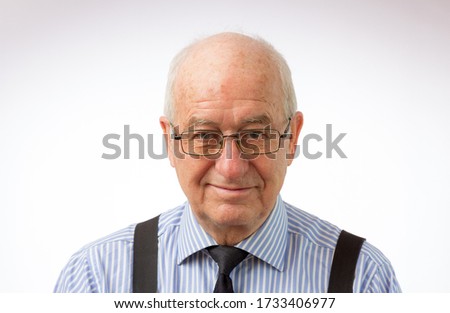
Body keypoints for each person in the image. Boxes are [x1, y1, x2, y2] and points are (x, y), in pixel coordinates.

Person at [54, 32, 401, 293]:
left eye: (255, 135)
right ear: (170, 142)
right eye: (204, 136)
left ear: (292, 138)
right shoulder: (96, 277)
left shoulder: (362, 278)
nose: (231, 168)